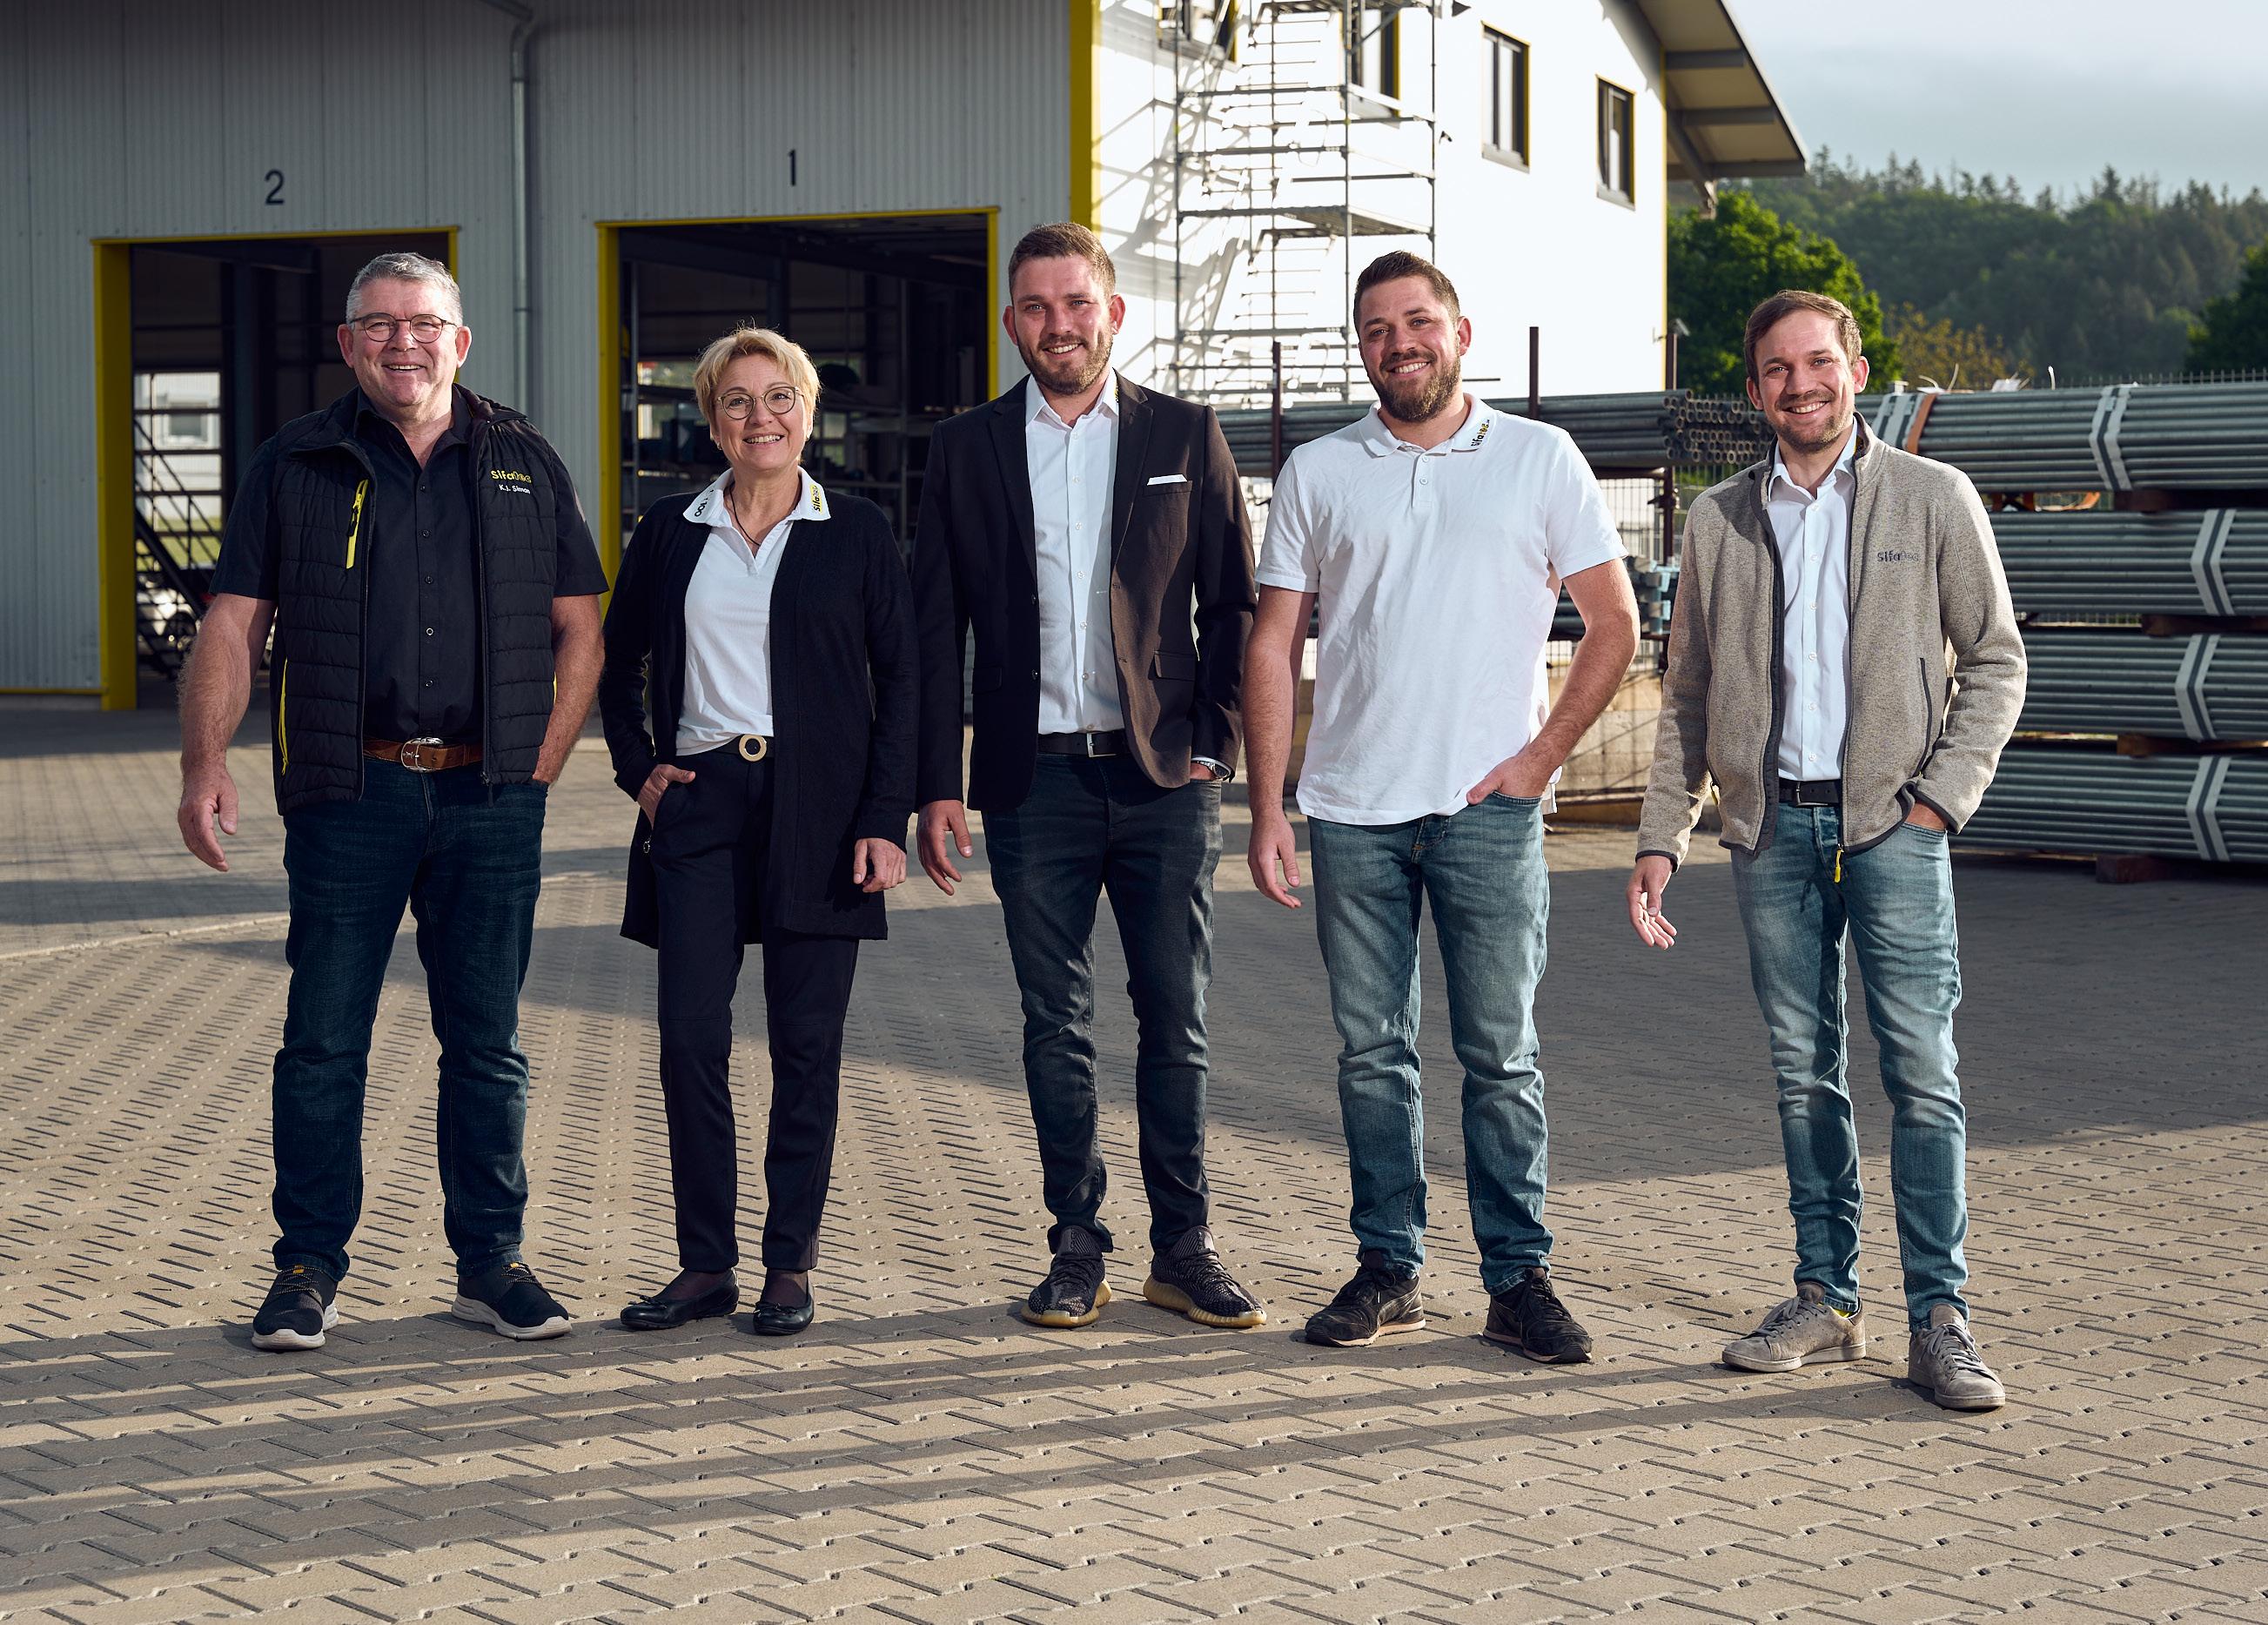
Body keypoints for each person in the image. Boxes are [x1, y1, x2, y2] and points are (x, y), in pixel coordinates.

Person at [178, 251, 607, 1350]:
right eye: (377, 324)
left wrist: (543, 762)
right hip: (347, 789)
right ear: (347, 343)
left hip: (489, 796)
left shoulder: (523, 459)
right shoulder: (295, 462)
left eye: (421, 323)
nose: (400, 341)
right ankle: (307, 1266)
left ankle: (491, 1264)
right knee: (323, 1042)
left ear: (459, 342)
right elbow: (234, 621)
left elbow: (580, 628)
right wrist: (203, 763)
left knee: (488, 1044)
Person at [1628, 290, 2026, 1411]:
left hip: (1891, 828)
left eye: (1816, 363)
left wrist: (1937, 802)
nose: (1798, 385)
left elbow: (1995, 660)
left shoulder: (1930, 496)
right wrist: (1661, 834)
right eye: (1775, 370)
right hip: (1769, 835)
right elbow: (1689, 692)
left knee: (1920, 1075)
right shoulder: (1717, 518)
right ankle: (1825, 1297)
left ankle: (1938, 1319)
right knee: (1803, 1077)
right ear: (1754, 388)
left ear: (1854, 369)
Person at [1245, 251, 1639, 1361]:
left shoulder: (1538, 458)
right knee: (1370, 1056)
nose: (1397, 343)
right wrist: (1268, 805)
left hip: (1486, 813)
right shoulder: (1319, 470)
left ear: (1459, 334)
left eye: (1416, 321)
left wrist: (1538, 760)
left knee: (1499, 1055)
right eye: (1374, 329)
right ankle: (1389, 1268)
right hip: (1350, 809)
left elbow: (1612, 624)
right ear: (1359, 349)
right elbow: (1271, 642)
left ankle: (1516, 1280)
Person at [911, 223, 1262, 1331]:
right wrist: (936, 782)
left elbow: (1235, 602)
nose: (1056, 325)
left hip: (1164, 780)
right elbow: (932, 629)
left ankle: (1184, 1246)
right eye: (1035, 307)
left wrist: (1215, 745)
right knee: (1053, 1023)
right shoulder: (964, 447)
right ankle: (1076, 1243)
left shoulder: (1182, 432)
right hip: (1032, 783)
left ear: (1112, 312)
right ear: (1010, 322)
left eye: (1075, 303)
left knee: (1175, 1019)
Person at [600, 326, 916, 1337]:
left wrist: (884, 818)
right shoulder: (670, 530)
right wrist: (637, 770)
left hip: (819, 809)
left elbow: (904, 681)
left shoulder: (855, 529)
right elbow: (614, 661)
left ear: (808, 412)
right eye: (736, 400)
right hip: (699, 802)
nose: (759, 416)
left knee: (804, 1045)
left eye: (779, 397)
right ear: (710, 419)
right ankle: (705, 1265)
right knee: (690, 1038)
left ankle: (789, 1263)